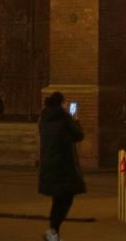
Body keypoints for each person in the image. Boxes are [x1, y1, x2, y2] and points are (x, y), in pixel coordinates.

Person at [39, 92, 86, 241]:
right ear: (61, 104)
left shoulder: (44, 118)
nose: (67, 106)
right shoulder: (64, 118)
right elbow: (78, 135)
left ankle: (53, 232)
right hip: (64, 166)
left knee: (57, 199)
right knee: (66, 200)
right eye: (65, 103)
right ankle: (53, 230)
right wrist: (75, 120)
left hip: (49, 164)